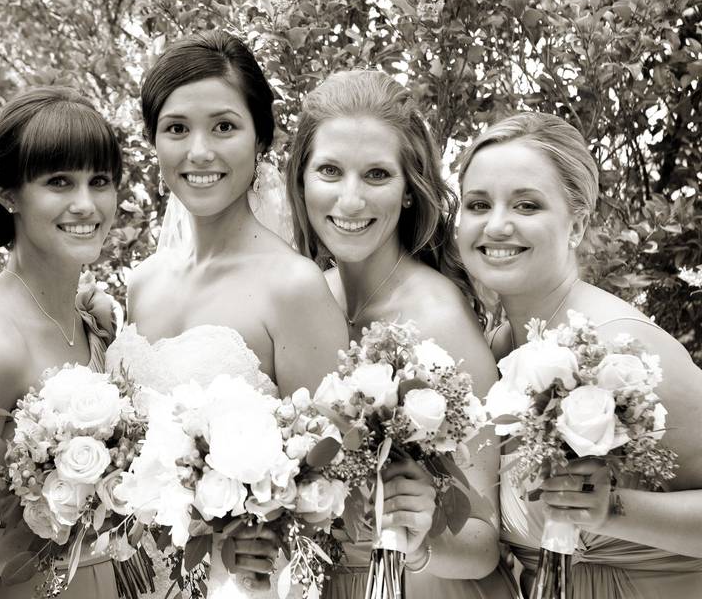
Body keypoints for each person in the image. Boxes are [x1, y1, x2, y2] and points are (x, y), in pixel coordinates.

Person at [105, 31, 349, 599]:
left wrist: (260, 531)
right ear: (154, 142)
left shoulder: (293, 286)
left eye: (224, 126)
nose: (200, 151)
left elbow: (336, 481)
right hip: (138, 579)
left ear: (260, 138)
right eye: (176, 129)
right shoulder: (141, 283)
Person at [287, 70, 518, 598]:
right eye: (329, 171)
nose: (350, 201)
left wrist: (421, 538)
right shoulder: (298, 298)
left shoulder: (437, 317)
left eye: (376, 175)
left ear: (410, 191)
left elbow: (485, 541)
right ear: (300, 180)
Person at [456, 111, 702, 598]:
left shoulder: (625, 349)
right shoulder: (495, 349)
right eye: (478, 204)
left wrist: (611, 509)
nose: (497, 225)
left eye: (527, 205)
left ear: (577, 224)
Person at [0, 87, 136, 598]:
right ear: (9, 194)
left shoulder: (90, 319)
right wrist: (44, 543)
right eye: (59, 182)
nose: (86, 204)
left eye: (100, 181)